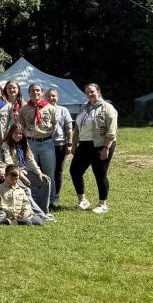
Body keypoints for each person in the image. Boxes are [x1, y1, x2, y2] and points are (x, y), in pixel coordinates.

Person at [71, 83, 118, 214]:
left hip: (100, 144)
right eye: (87, 92)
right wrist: (74, 144)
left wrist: (106, 148)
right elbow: (77, 128)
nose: (90, 94)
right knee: (75, 171)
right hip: (84, 144)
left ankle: (103, 204)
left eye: (92, 91)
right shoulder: (83, 108)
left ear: (98, 92)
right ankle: (82, 200)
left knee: (100, 173)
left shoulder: (107, 107)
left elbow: (112, 131)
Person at [19, 83, 58, 210]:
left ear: (42, 92)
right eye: (32, 91)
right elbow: (21, 125)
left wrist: (47, 134)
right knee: (32, 172)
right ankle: (34, 199)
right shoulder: (24, 109)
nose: (35, 93)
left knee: (49, 172)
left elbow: (55, 123)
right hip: (30, 143)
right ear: (29, 93)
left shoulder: (50, 108)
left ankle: (51, 200)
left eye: (37, 90)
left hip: (46, 142)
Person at [4, 123, 53, 219]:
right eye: (15, 133)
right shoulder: (6, 145)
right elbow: (10, 164)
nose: (18, 135)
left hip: (24, 171)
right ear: (10, 133)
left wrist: (39, 172)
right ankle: (39, 215)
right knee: (26, 190)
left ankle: (44, 210)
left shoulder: (24, 144)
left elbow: (30, 159)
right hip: (13, 174)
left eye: (20, 133)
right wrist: (22, 177)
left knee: (45, 180)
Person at [47, 87, 74, 209]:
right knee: (46, 170)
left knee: (58, 170)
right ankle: (47, 194)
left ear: (57, 97)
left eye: (53, 96)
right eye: (49, 96)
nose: (51, 98)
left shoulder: (63, 110)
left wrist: (69, 144)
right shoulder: (42, 109)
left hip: (60, 145)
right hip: (46, 144)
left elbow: (69, 129)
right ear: (45, 97)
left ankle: (56, 195)